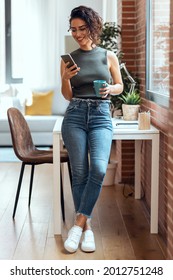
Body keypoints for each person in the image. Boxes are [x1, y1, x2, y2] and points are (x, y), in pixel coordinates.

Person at [60, 5, 123, 253]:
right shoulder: (69, 58)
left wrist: (110, 89)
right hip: (75, 114)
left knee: (98, 168)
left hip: (100, 115)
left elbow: (119, 85)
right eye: (73, 29)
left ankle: (77, 224)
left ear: (92, 27)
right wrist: (65, 78)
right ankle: (87, 231)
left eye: (82, 28)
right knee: (80, 173)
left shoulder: (108, 55)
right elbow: (67, 96)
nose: (77, 33)